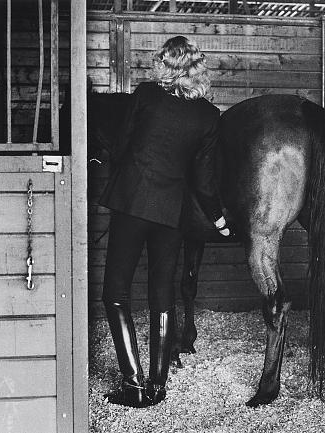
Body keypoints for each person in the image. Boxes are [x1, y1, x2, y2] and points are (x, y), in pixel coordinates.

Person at [100, 35, 231, 408]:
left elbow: (123, 145)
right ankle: (158, 386)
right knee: (163, 293)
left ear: (165, 65)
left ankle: (134, 385)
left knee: (116, 292)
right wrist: (219, 219)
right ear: (197, 69)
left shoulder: (145, 95)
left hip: (131, 202)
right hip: (171, 214)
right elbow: (204, 180)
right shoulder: (208, 115)